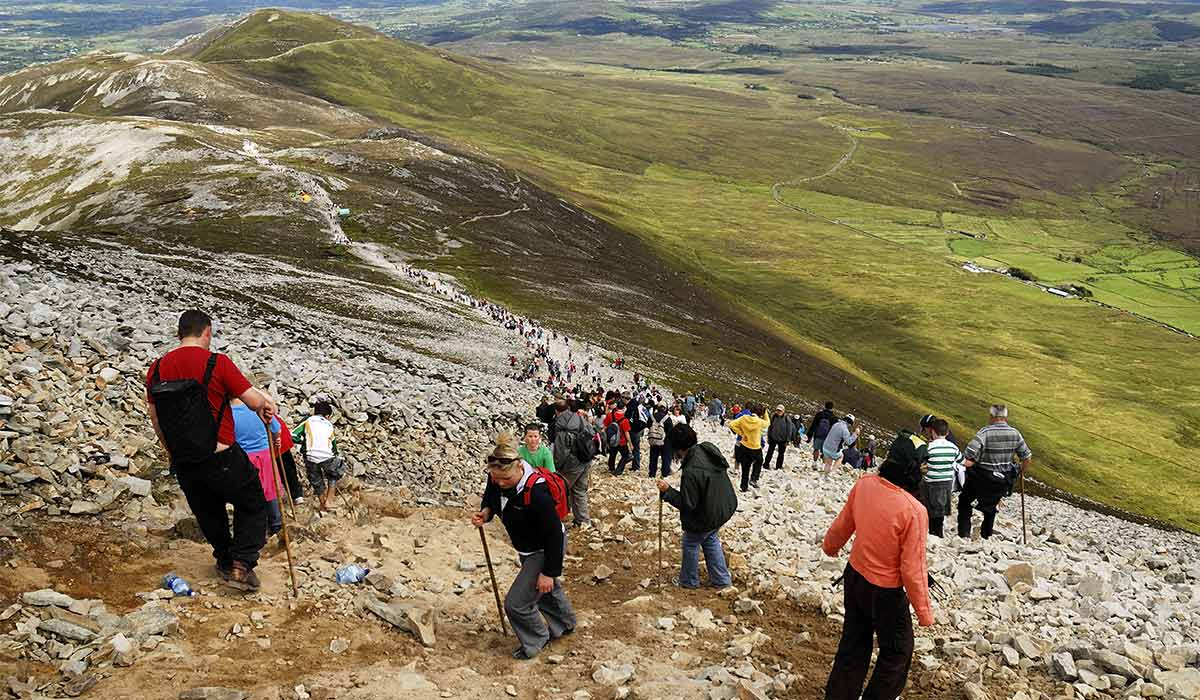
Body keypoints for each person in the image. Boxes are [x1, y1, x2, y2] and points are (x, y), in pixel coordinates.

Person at [145, 310, 275, 591]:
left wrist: (173, 452)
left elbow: (156, 420)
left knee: (209, 513)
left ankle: (225, 561)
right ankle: (241, 566)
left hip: (185, 460)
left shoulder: (156, 369)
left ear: (180, 333)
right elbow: (253, 401)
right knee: (252, 502)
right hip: (221, 454)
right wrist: (267, 404)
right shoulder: (218, 362)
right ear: (207, 332)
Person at [821, 440, 933, 700]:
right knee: (896, 652)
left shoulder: (865, 484)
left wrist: (830, 547)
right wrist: (924, 612)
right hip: (886, 592)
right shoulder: (914, 510)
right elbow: (912, 567)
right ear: (913, 468)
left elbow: (843, 523)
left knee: (854, 643)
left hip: (855, 575)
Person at [472, 433, 576, 660]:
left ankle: (537, 639)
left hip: (544, 548)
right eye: (496, 478)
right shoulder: (497, 477)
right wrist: (486, 513)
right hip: (527, 547)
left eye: (505, 480)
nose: (500, 483)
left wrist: (549, 571)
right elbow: (491, 498)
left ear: (519, 467)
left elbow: (553, 535)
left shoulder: (537, 492)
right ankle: (565, 624)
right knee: (545, 590)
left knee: (516, 603)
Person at [656, 424, 736, 589]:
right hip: (722, 507)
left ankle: (688, 581)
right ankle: (721, 580)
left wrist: (668, 491)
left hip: (707, 513)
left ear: (678, 448)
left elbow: (688, 504)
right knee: (710, 538)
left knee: (691, 541)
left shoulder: (692, 470)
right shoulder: (706, 449)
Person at [957, 405, 1032, 540]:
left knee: (964, 501)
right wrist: (1017, 473)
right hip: (1002, 480)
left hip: (981, 477)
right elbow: (1026, 457)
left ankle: (964, 535)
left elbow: (969, 454)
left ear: (991, 416)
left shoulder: (985, 432)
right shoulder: (1015, 433)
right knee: (991, 508)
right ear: (1005, 417)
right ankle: (986, 536)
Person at [231, 398, 283, 537]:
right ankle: (276, 525)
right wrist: (275, 439)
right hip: (265, 454)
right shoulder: (258, 408)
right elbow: (276, 429)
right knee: (271, 490)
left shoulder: (227, 413)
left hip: (243, 458)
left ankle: (257, 530)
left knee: (251, 494)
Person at [294, 400, 343, 513]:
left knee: (316, 480)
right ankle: (329, 500)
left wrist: (305, 442)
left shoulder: (308, 421)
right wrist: (335, 455)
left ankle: (322, 503)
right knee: (334, 473)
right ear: (327, 415)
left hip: (311, 455)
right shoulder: (329, 425)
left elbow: (294, 435)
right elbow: (333, 445)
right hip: (327, 455)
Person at [551, 400, 594, 528]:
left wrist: (556, 466)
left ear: (556, 411)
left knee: (560, 489)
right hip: (585, 458)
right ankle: (583, 520)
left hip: (572, 463)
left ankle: (556, 519)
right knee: (579, 490)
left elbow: (561, 451)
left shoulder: (560, 426)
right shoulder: (578, 418)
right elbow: (591, 432)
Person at [922, 419, 961, 538]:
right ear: (947, 433)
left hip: (931, 483)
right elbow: (962, 461)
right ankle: (938, 533)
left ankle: (932, 534)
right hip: (947, 483)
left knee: (931, 509)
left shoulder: (929, 447)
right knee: (941, 509)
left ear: (933, 432)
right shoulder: (953, 448)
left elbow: (923, 463)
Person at [728, 404, 769, 492]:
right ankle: (754, 479)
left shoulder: (744, 418)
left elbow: (731, 424)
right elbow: (768, 423)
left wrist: (741, 433)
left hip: (744, 446)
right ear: (760, 413)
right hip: (755, 447)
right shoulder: (759, 422)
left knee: (745, 467)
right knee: (759, 461)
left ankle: (744, 487)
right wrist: (765, 413)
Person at [275, 415, 304, 505]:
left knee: (287, 468)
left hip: (278, 443)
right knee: (286, 468)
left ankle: (295, 494)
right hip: (274, 443)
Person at [604, 400, 633, 475]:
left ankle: (611, 468)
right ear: (624, 408)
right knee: (625, 455)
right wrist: (630, 444)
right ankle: (618, 470)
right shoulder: (625, 420)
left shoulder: (610, 415)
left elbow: (605, 426)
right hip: (621, 441)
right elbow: (627, 433)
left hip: (612, 439)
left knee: (612, 454)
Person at [764, 405, 794, 470]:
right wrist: (769, 436)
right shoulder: (773, 417)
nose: (778, 412)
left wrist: (787, 440)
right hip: (773, 438)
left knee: (781, 454)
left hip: (783, 440)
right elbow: (770, 427)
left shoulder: (787, 418)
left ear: (783, 411)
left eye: (780, 410)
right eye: (777, 410)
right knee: (770, 452)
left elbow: (789, 429)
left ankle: (778, 467)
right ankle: (766, 464)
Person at [647, 403, 671, 478]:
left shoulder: (652, 416)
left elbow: (648, 425)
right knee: (665, 458)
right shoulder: (667, 418)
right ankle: (664, 474)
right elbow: (670, 431)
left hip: (653, 439)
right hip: (664, 441)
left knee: (653, 457)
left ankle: (652, 474)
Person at [809, 401, 836, 466]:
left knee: (816, 449)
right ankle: (823, 466)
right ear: (832, 408)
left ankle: (814, 463)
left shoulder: (819, 414)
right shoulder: (834, 417)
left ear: (825, 406)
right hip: (827, 437)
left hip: (818, 435)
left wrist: (809, 435)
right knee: (825, 452)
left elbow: (814, 424)